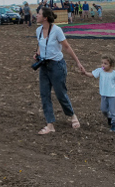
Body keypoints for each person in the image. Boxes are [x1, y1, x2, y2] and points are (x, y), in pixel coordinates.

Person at [33, 7, 84, 135]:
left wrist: (78, 63)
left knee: (60, 93)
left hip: (57, 66)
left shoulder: (57, 30)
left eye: (38, 14)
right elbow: (41, 44)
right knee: (44, 94)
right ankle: (50, 124)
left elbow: (66, 47)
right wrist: (37, 53)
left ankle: (72, 116)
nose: (36, 15)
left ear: (45, 17)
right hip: (44, 66)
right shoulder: (38, 30)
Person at [82, 55, 115, 132]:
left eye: (105, 63)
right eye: (102, 63)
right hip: (104, 95)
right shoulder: (100, 71)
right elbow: (92, 75)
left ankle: (114, 125)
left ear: (111, 65)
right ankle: (109, 117)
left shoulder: (114, 74)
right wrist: (85, 73)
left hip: (112, 96)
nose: (103, 65)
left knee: (113, 110)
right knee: (103, 109)